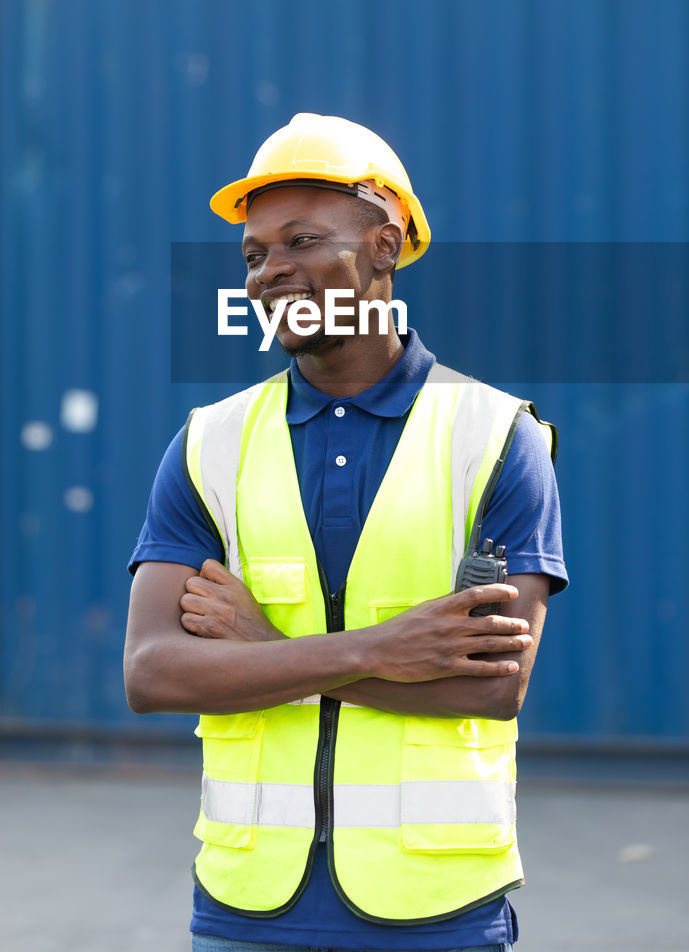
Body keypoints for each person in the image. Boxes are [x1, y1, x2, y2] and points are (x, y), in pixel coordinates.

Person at [124, 113, 567, 952]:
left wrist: (260, 651)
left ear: (383, 248)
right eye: (254, 254)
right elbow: (151, 673)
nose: (271, 273)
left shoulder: (494, 438)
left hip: (436, 912)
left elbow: (490, 688)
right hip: (243, 909)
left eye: (301, 241)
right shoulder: (209, 443)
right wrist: (374, 649)